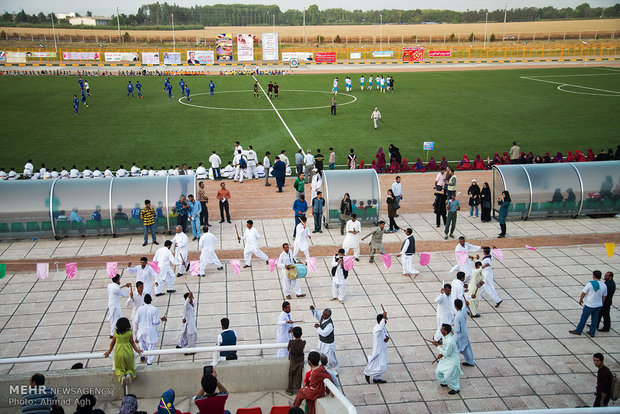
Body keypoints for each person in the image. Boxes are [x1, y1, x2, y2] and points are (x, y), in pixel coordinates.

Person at [103, 317, 142, 385]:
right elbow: (132, 342)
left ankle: (122, 376)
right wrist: (137, 350)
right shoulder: (129, 333)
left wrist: (109, 351)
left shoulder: (116, 333)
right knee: (130, 365)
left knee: (119, 366)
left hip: (119, 351)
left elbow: (112, 343)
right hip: (128, 351)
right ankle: (129, 374)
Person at [570, 270, 608, 337]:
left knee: (583, 318)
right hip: (598, 305)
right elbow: (604, 296)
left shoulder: (590, 284)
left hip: (589, 305)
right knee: (595, 319)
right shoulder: (604, 285)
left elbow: (584, 292)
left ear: (593, 276)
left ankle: (578, 330)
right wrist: (601, 302)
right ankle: (592, 332)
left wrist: (580, 300)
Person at [135, 294, 166, 365]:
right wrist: (160, 319)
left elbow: (136, 320)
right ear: (151, 300)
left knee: (142, 343)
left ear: (144, 300)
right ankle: (149, 362)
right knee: (151, 346)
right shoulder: (154, 309)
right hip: (150, 330)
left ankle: (142, 356)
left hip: (141, 330)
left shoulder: (140, 309)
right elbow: (155, 322)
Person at [432, 324, 463, 394]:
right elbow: (444, 348)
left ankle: (456, 388)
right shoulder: (444, 337)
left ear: (445, 331)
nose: (440, 329)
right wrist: (440, 353)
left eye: (442, 329)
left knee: (447, 376)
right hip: (446, 359)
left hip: (452, 360)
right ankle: (444, 382)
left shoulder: (450, 341)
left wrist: (437, 346)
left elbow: (446, 353)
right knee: (438, 372)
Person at [310, 305, 339, 373]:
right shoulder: (322, 317)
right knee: (321, 354)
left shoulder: (329, 325)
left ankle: (335, 369)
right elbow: (317, 315)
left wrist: (318, 327)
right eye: (323, 313)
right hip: (321, 342)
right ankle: (324, 366)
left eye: (325, 314)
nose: (323, 315)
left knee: (331, 357)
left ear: (329, 315)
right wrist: (313, 310)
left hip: (328, 344)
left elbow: (324, 333)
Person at [364, 310, 389, 384]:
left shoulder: (383, 327)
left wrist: (387, 338)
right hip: (378, 351)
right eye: (384, 320)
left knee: (384, 363)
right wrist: (384, 317)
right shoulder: (377, 328)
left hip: (383, 349)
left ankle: (376, 378)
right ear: (380, 321)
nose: (386, 322)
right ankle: (368, 373)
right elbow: (381, 327)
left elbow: (385, 334)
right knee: (382, 366)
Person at [453, 299, 475, 366]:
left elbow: (457, 330)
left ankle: (454, 363)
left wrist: (452, 327)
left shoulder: (457, 317)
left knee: (455, 349)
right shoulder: (464, 312)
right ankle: (470, 361)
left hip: (459, 335)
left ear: (455, 306)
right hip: (465, 332)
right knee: (466, 348)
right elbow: (466, 308)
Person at [287, 326, 306, 396]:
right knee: (299, 374)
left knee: (291, 374)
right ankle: (298, 389)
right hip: (300, 360)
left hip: (293, 361)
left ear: (293, 335)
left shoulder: (291, 342)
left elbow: (288, 349)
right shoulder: (303, 343)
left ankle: (290, 389)